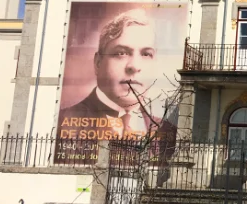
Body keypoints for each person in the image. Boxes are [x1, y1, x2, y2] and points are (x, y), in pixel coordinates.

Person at [58, 9, 177, 143]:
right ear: (98, 62)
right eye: (121, 53)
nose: (134, 66)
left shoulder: (168, 132)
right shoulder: (59, 122)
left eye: (146, 54)